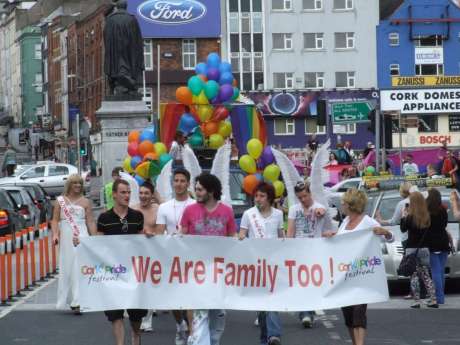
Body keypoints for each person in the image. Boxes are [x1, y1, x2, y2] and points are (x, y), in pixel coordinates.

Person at [323, 188, 393, 345]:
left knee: (358, 314)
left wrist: (385, 232)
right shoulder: (346, 221)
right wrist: (333, 236)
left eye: (344, 202)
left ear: (351, 205)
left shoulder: (367, 221)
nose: (341, 204)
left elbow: (389, 237)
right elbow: (343, 241)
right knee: (348, 316)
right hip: (345, 276)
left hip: (362, 276)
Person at [181, 173, 237, 345]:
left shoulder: (227, 211)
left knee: (218, 315)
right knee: (199, 315)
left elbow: (232, 238)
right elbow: (181, 237)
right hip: (196, 272)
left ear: (211, 191)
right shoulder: (189, 210)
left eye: (199, 189)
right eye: (196, 189)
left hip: (219, 274)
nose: (196, 192)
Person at [97, 179, 147, 345]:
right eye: (123, 192)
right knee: (115, 314)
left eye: (128, 192)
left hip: (134, 273)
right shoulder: (104, 218)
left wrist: (149, 237)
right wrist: (82, 243)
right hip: (113, 274)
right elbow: (98, 244)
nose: (126, 195)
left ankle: (136, 335)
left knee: (136, 314)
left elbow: (142, 240)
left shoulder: (137, 216)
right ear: (115, 195)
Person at [239, 183, 284, 345]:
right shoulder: (248, 214)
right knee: (261, 303)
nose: (258, 199)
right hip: (255, 264)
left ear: (269, 198)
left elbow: (281, 236)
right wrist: (241, 238)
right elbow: (242, 234)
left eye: (262, 196)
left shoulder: (278, 214)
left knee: (271, 298)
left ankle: (274, 335)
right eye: (256, 196)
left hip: (273, 264)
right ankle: (266, 337)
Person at [155, 168, 195, 345]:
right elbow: (158, 234)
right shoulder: (164, 207)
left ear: (188, 183)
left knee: (189, 298)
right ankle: (180, 325)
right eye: (176, 180)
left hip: (191, 258)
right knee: (173, 300)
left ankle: (193, 334)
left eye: (182, 181)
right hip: (170, 259)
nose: (178, 184)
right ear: (172, 183)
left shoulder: (195, 205)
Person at [286, 181, 334, 329]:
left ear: (310, 193)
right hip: (299, 251)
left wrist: (320, 213)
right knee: (301, 283)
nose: (303, 200)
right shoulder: (294, 209)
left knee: (313, 283)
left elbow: (322, 213)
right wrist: (288, 248)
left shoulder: (318, 207)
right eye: (300, 197)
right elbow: (290, 231)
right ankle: (305, 313)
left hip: (315, 251)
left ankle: (309, 312)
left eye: (305, 196)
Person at [51, 174, 97, 314]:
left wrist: (94, 238)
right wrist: (55, 234)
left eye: (80, 183)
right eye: (75, 183)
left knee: (79, 266)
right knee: (67, 266)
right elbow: (54, 220)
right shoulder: (60, 201)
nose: (77, 185)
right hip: (66, 236)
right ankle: (71, 298)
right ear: (69, 185)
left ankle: (78, 301)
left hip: (81, 235)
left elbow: (90, 221)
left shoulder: (86, 202)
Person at [400, 192, 438, 309]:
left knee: (414, 275)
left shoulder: (410, 217)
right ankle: (433, 299)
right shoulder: (427, 217)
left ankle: (416, 301)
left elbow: (403, 229)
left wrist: (403, 216)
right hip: (424, 248)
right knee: (426, 274)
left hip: (412, 249)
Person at [132, 182, 159, 332]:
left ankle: (147, 320)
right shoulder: (133, 209)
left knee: (150, 286)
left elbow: (163, 230)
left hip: (153, 253)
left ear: (152, 195)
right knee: (137, 286)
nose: (143, 196)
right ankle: (137, 316)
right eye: (141, 193)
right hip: (135, 254)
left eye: (146, 193)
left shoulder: (158, 210)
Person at [426, 188, 451, 305]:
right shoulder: (443, 210)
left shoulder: (426, 211)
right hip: (443, 241)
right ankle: (441, 297)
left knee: (435, 270)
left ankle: (438, 297)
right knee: (440, 271)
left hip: (431, 243)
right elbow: (445, 225)